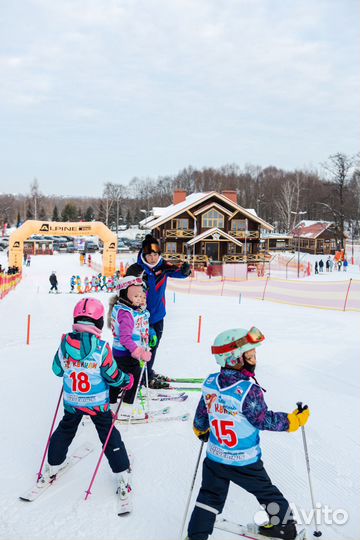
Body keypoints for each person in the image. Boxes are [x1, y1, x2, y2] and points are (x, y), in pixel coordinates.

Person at [187, 326, 310, 540]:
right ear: (234, 359)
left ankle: (196, 535)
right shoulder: (247, 391)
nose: (254, 360)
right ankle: (284, 527)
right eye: (250, 356)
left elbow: (202, 414)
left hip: (216, 456)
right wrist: (292, 421)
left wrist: (200, 428)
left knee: (209, 496)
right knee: (267, 493)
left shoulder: (209, 384)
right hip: (244, 460)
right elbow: (262, 419)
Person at [41, 298, 134, 507]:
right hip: (98, 404)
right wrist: (127, 380)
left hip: (72, 402)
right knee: (108, 434)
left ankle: (53, 465)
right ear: (100, 322)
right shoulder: (101, 348)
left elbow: (57, 370)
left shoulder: (65, 343)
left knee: (65, 430)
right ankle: (121, 472)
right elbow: (113, 376)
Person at [126, 234, 191, 389]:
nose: (153, 258)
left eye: (155, 254)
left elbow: (180, 273)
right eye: (149, 255)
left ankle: (147, 373)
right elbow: (124, 289)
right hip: (139, 317)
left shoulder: (163, 266)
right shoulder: (136, 269)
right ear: (144, 254)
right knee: (139, 347)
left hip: (157, 316)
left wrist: (186, 270)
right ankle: (139, 376)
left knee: (153, 346)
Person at [107, 276, 153, 418]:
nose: (140, 299)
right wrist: (139, 352)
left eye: (141, 296)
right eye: (136, 296)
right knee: (132, 378)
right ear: (124, 295)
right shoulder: (125, 313)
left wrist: (151, 333)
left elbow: (141, 323)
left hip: (126, 353)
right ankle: (125, 406)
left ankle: (111, 402)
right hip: (125, 353)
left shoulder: (132, 309)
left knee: (119, 377)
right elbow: (125, 338)